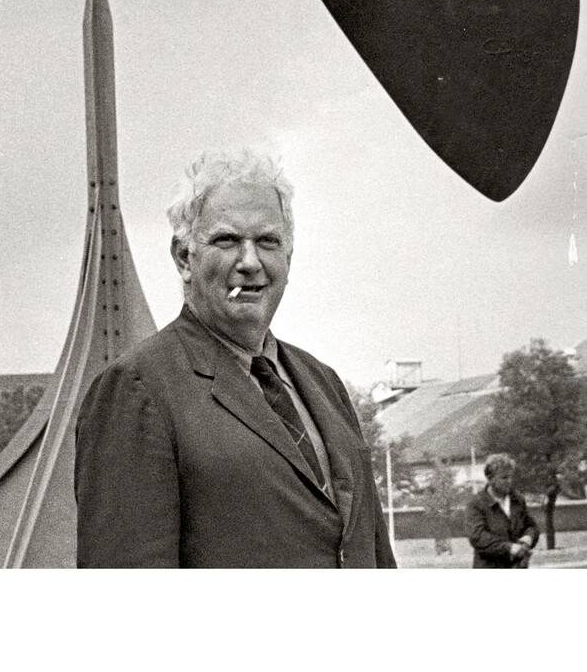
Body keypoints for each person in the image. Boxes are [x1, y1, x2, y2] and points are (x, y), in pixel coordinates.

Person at [74, 147, 395, 567]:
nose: (250, 262)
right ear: (184, 257)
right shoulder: (136, 389)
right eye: (227, 240)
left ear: (289, 257)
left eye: (268, 241)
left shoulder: (325, 383)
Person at [466, 454, 539, 569]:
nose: (509, 481)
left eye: (511, 477)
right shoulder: (476, 504)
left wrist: (529, 537)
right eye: (504, 477)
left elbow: (531, 525)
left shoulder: (518, 499)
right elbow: (478, 537)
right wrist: (508, 548)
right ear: (490, 479)